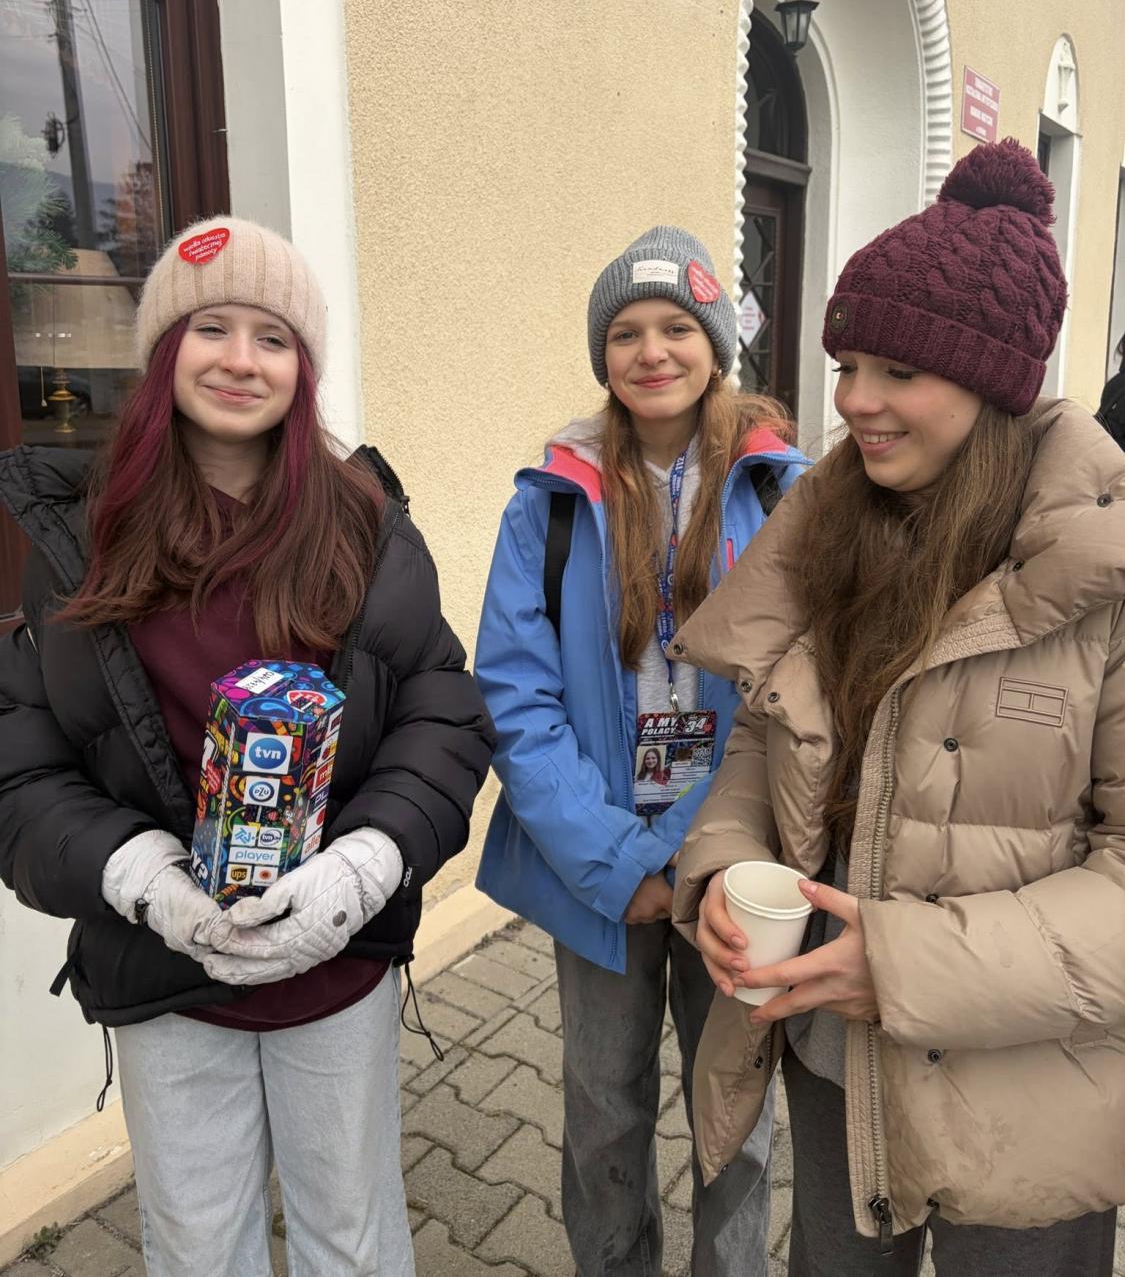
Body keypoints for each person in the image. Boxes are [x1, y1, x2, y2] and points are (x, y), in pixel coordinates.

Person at [0, 218, 494, 1277]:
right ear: (163, 352)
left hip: (334, 964)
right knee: (195, 1245)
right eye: (210, 328)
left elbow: (441, 709)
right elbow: (23, 761)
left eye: (272, 337)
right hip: (165, 971)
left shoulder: (365, 521)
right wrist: (136, 876)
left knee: (350, 1236)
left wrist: (366, 867)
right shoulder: (80, 533)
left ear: (302, 367)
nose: (240, 359)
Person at [669, 140, 1125, 1276]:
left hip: (1031, 1105)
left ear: (995, 384)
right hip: (836, 1067)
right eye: (847, 364)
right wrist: (726, 866)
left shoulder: (1102, 576)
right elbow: (765, 739)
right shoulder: (834, 526)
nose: (855, 402)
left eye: (899, 371)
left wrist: (908, 967)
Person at [474, 227, 806, 1276]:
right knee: (603, 1111)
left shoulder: (786, 495)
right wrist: (622, 865)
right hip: (597, 873)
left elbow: (797, 692)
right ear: (601, 354)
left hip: (737, 864)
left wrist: (697, 855)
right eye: (625, 332)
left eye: (676, 327)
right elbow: (515, 697)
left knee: (733, 1119)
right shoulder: (548, 504)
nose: (652, 351)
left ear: (715, 344)